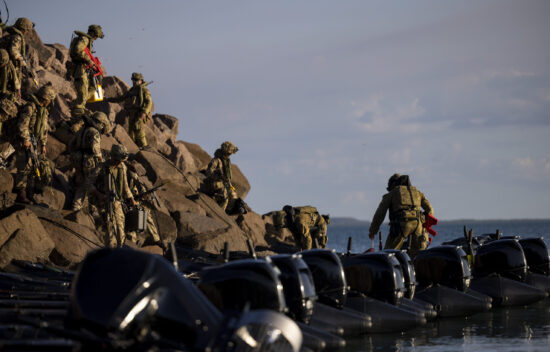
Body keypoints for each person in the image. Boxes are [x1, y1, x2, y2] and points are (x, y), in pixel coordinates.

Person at [368, 174, 434, 258]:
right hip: (419, 225)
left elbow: (380, 214)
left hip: (402, 226)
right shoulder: (417, 192)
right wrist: (424, 222)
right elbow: (430, 210)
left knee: (388, 254)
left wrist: (373, 231)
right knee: (420, 255)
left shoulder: (393, 193)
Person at [12, 83, 55, 203]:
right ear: (46, 99)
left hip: (35, 142)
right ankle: (21, 192)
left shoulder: (44, 111)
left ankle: (29, 193)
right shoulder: (30, 107)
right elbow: (22, 124)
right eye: (49, 100)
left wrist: (44, 144)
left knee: (33, 167)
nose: (50, 102)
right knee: (24, 165)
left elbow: (44, 129)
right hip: (25, 141)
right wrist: (26, 139)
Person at [68, 111, 112, 211]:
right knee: (87, 184)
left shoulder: (82, 129)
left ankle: (76, 205)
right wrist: (100, 158)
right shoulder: (94, 132)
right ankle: (77, 207)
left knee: (80, 182)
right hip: (88, 161)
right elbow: (95, 149)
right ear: (101, 123)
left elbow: (71, 144)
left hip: (76, 158)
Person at [94, 144, 136, 247]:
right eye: (118, 160)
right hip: (104, 203)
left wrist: (131, 199)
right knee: (110, 231)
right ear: (113, 157)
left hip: (118, 203)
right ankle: (110, 253)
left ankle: (120, 251)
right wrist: (99, 194)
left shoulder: (122, 167)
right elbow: (88, 184)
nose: (120, 162)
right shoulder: (102, 167)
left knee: (121, 231)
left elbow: (125, 186)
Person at [106, 72, 152, 148]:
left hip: (139, 114)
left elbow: (148, 102)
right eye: (133, 79)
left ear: (141, 81)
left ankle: (145, 148)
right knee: (131, 133)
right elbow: (121, 98)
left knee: (139, 131)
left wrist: (144, 112)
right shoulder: (132, 90)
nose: (134, 81)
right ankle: (133, 149)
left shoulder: (144, 90)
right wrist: (109, 99)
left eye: (136, 80)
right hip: (131, 114)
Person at [67, 24, 104, 111]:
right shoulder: (85, 39)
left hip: (81, 69)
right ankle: (77, 111)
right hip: (80, 69)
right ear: (93, 34)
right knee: (83, 95)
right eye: (96, 37)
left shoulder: (84, 39)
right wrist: (89, 61)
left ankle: (76, 106)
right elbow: (78, 50)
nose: (95, 39)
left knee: (91, 90)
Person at [126, 165, 162, 247]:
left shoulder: (136, 180)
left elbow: (141, 189)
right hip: (126, 204)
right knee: (131, 225)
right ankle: (133, 242)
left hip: (135, 203)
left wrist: (143, 196)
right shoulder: (124, 177)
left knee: (146, 216)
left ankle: (156, 240)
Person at [202, 141, 239, 211]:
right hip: (214, 183)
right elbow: (208, 172)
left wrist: (233, 189)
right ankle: (218, 212)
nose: (230, 155)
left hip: (223, 184)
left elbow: (228, 180)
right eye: (229, 153)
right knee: (224, 197)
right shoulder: (217, 160)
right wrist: (218, 177)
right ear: (225, 152)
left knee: (232, 196)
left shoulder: (227, 163)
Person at [1, 17, 33, 84]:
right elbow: (13, 51)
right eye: (27, 30)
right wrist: (21, 60)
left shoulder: (9, 35)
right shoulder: (17, 37)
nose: (27, 32)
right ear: (23, 29)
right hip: (7, 66)